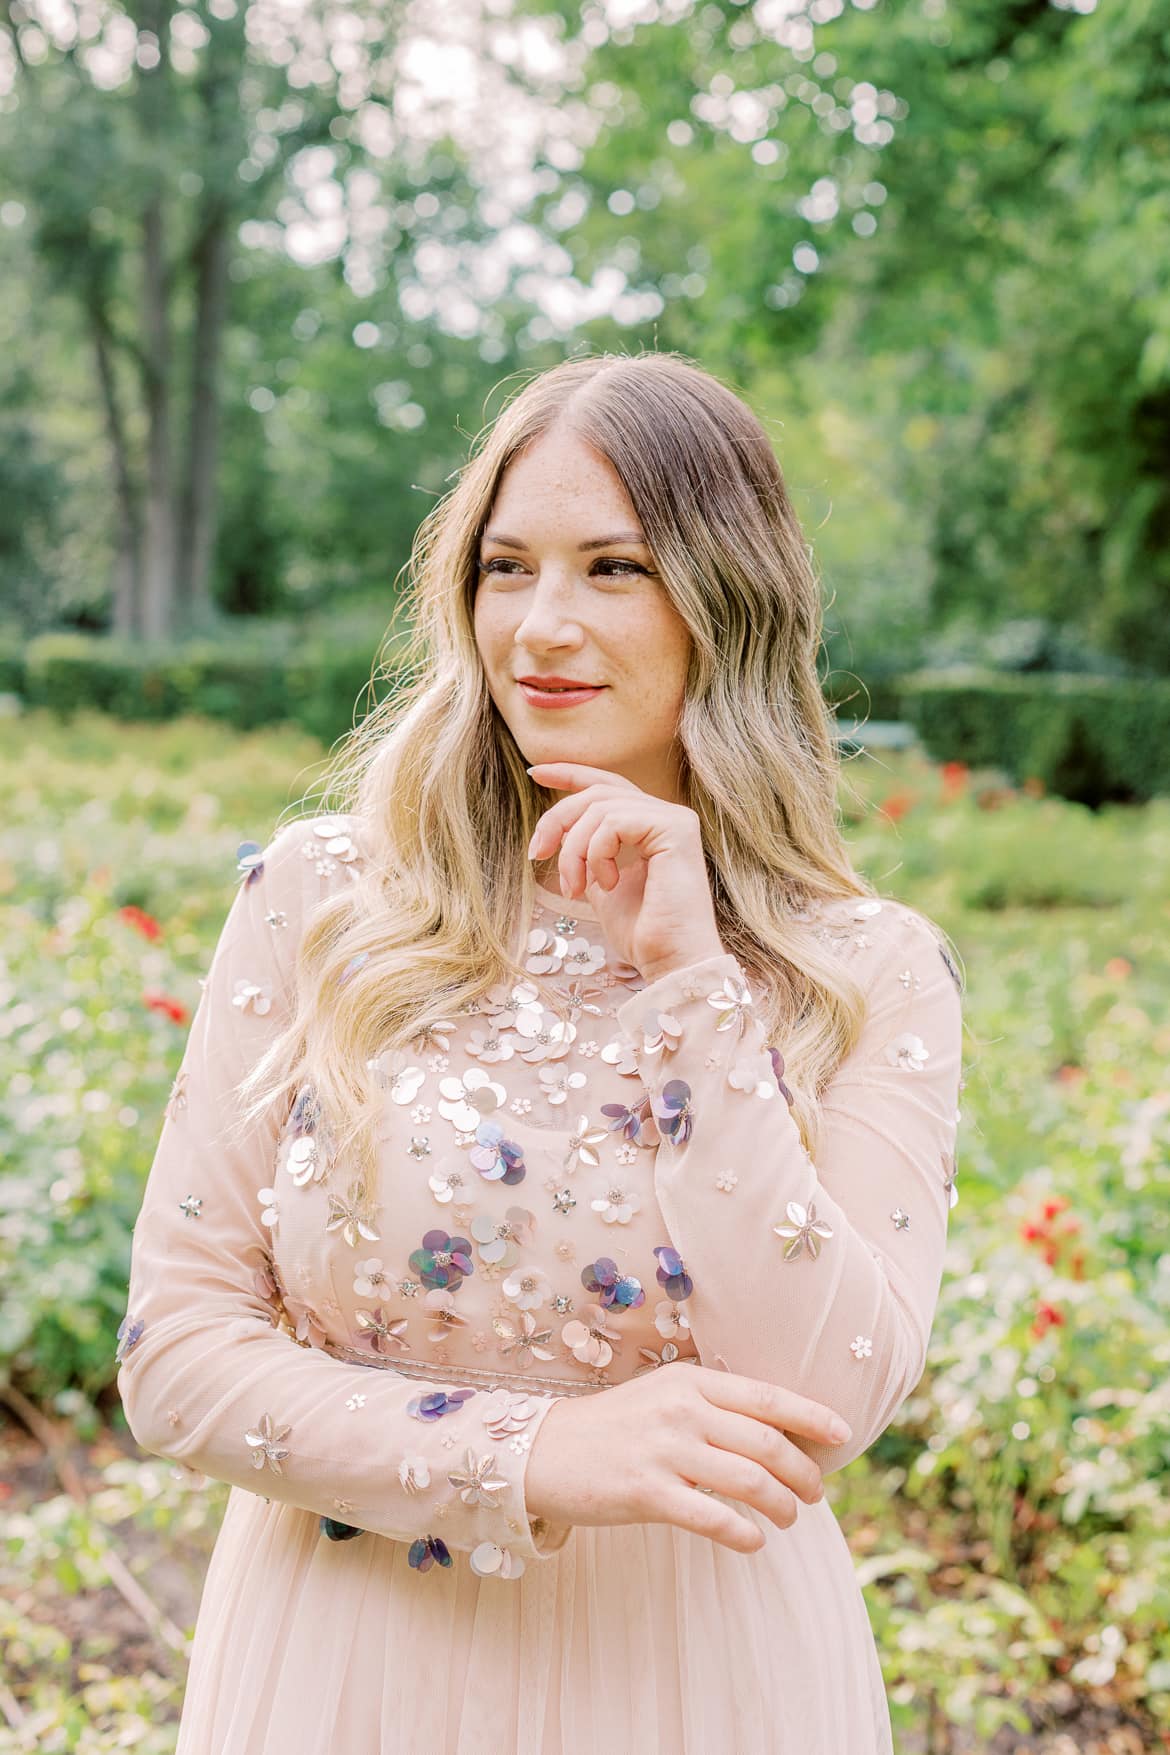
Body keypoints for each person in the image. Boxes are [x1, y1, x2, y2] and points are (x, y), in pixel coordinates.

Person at [116, 349, 964, 1754]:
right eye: (506, 568)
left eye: (613, 568)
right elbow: (178, 1357)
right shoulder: (325, 902)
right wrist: (529, 1455)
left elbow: (826, 1397)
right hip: (345, 1673)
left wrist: (689, 980)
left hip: (702, 1681)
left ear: (727, 600)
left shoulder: (862, 970)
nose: (541, 628)